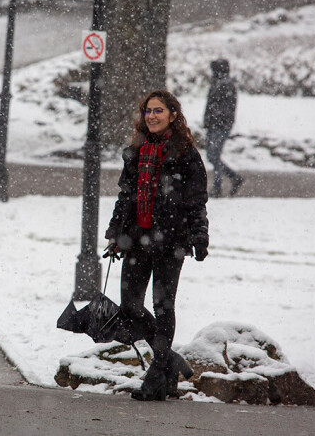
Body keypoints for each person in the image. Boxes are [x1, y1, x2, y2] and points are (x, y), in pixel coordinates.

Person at [105, 89, 209, 401]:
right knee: (130, 306)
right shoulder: (136, 151)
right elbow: (125, 197)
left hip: (170, 242)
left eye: (159, 111)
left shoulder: (186, 154)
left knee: (163, 308)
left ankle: (157, 378)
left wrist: (200, 235)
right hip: (137, 240)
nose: (152, 116)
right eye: (148, 111)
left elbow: (196, 201)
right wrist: (116, 234)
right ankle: (170, 362)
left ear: (173, 116)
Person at [204, 58, 244, 197]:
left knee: (213, 155)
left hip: (219, 126)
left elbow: (224, 108)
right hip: (215, 125)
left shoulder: (225, 85)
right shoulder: (219, 83)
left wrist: (214, 120)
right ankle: (231, 178)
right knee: (212, 156)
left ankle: (219, 185)